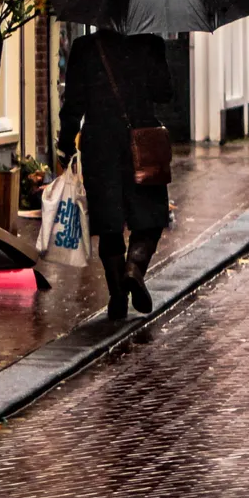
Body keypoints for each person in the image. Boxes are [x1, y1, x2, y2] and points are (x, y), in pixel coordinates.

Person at [58, 29, 175, 323]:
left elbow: (72, 103)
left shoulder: (85, 47)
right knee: (152, 215)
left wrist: (65, 143)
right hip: (142, 142)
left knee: (108, 224)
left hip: (100, 145)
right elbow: (165, 93)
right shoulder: (151, 44)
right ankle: (134, 268)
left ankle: (117, 297)